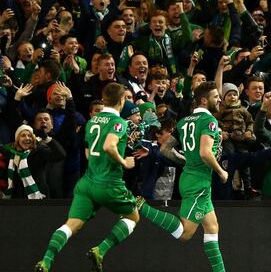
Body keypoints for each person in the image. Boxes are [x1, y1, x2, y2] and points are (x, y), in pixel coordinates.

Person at [34, 83, 139, 272]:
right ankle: (101, 249)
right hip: (109, 184)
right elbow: (109, 146)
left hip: (87, 181)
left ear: (104, 98)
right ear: (122, 100)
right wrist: (124, 162)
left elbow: (90, 153)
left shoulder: (93, 121)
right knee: (133, 217)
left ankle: (46, 261)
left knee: (71, 225)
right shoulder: (120, 123)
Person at [135, 82, 228, 272]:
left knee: (212, 227)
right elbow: (205, 153)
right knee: (185, 234)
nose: (219, 99)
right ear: (204, 100)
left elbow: (165, 149)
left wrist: (186, 161)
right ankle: (142, 206)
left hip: (190, 178)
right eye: (215, 96)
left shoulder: (184, 121)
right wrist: (221, 171)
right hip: (199, 184)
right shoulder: (209, 122)